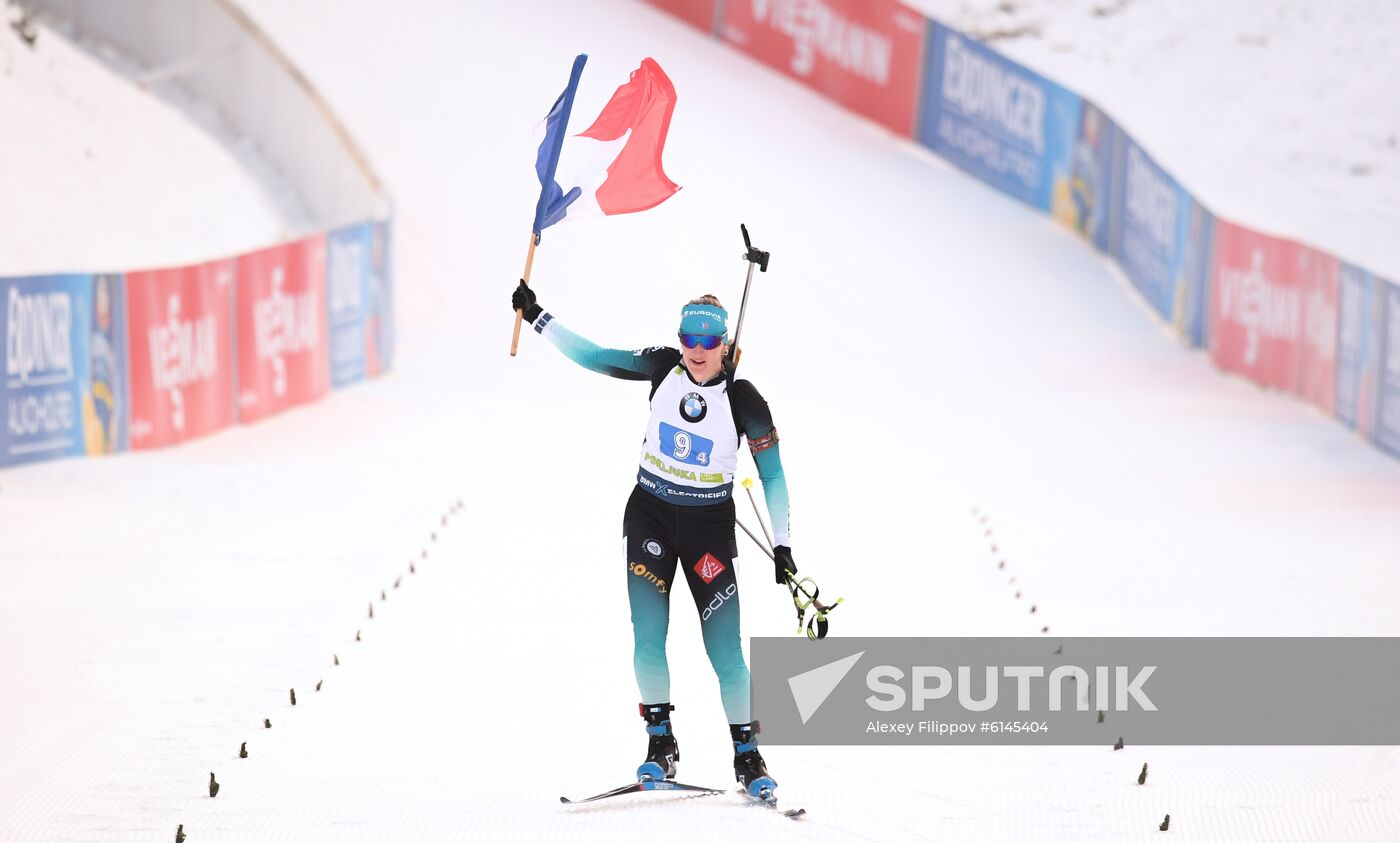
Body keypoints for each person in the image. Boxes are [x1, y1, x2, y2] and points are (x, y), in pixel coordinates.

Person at [511, 280, 796, 799]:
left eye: (710, 342)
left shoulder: (744, 399)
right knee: (648, 640)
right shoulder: (663, 367)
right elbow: (598, 356)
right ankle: (660, 746)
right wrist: (537, 316)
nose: (697, 351)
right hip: (650, 519)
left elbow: (772, 476)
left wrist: (783, 545)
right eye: (689, 338)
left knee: (725, 652)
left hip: (708, 531)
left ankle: (747, 757)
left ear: (726, 345)